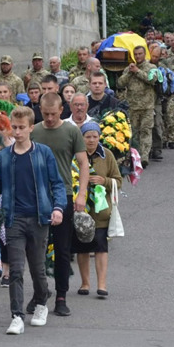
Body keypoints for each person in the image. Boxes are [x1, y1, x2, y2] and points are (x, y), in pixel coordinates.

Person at [0, 106, 66, 334]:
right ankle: (17, 316)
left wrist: (58, 208)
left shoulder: (43, 153)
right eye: (14, 127)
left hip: (39, 217)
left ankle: (41, 301)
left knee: (37, 269)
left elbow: (57, 183)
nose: (18, 132)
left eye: (22, 128)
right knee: (15, 270)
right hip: (14, 218)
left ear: (32, 127)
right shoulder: (4, 156)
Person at [30, 93, 89, 316]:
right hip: (37, 199)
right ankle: (39, 294)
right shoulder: (34, 131)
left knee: (63, 250)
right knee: (37, 251)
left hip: (62, 196)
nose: (50, 118)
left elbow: (83, 163)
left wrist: (81, 194)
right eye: (45, 114)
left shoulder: (71, 131)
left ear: (61, 110)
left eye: (53, 114)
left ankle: (61, 296)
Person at [72, 122, 122, 297]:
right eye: (88, 137)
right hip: (81, 210)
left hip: (101, 211)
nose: (91, 140)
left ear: (99, 137)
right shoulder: (76, 155)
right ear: (82, 138)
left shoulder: (107, 155)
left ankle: (102, 284)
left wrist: (104, 181)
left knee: (101, 247)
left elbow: (118, 180)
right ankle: (85, 283)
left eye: (94, 136)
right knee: (83, 247)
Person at [117, 46, 157, 167]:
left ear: (145, 54)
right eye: (136, 54)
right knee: (134, 133)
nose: (138, 56)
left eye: (140, 54)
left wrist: (137, 71)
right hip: (132, 106)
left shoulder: (151, 67)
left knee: (146, 131)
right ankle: (136, 155)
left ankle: (144, 157)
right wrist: (130, 72)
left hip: (147, 106)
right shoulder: (128, 69)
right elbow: (120, 83)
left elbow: (152, 80)